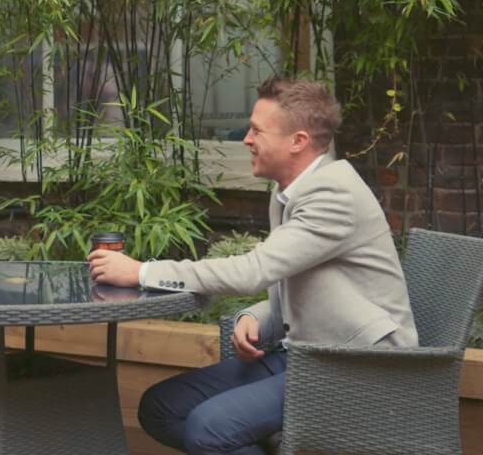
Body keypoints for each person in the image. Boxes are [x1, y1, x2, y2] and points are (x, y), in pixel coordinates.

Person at [87, 76, 418, 455]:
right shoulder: (291, 191)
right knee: (161, 408)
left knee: (209, 428)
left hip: (358, 367)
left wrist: (141, 272)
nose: (246, 138)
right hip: (305, 353)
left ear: (298, 141)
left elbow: (251, 270)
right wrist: (258, 317)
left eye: (257, 130)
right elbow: (303, 282)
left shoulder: (333, 194)